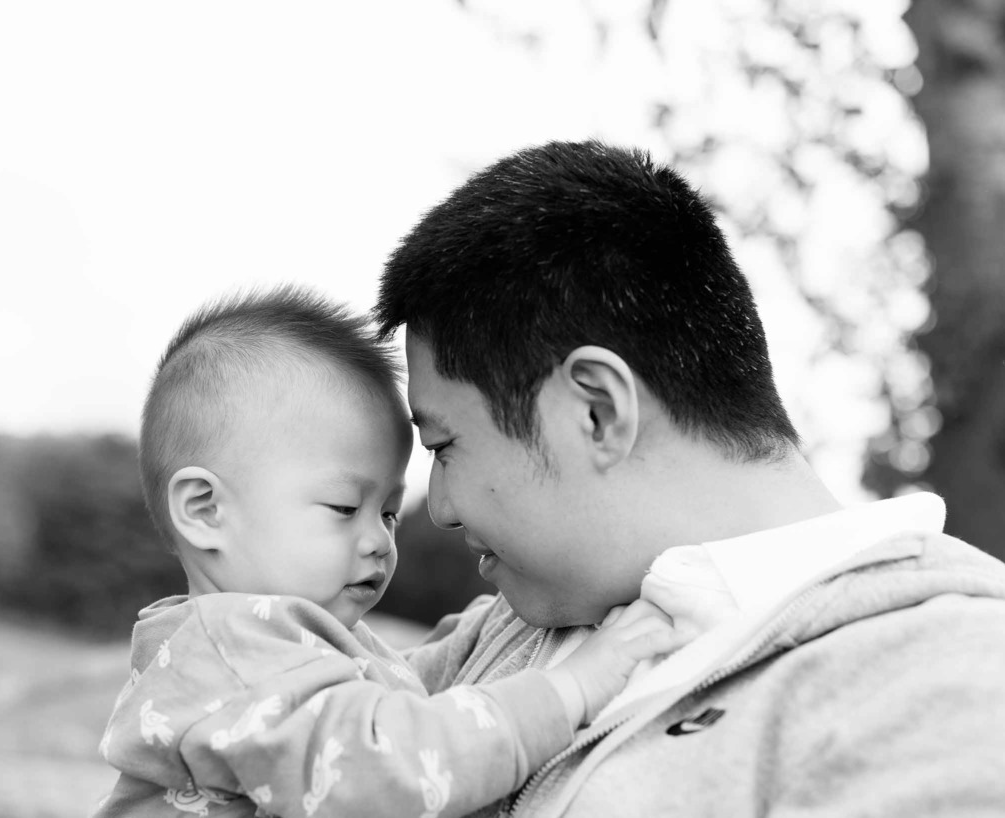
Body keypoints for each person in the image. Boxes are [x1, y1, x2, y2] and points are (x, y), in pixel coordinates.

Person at [376, 140, 1005, 817]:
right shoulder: (504, 630)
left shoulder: (951, 685)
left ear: (597, 410)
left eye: (443, 446)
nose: (438, 507)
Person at [92, 286, 686, 818]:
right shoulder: (223, 655)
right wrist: (571, 689)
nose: (379, 539)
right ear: (205, 510)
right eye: (345, 509)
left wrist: (491, 624)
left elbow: (403, 685)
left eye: (388, 513)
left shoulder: (281, 643)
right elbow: (390, 762)